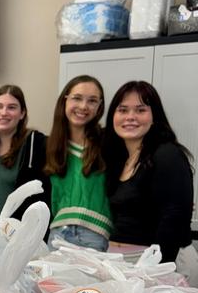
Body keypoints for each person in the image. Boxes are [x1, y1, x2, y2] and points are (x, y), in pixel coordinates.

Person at [104, 80, 194, 266]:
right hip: (126, 261)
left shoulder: (167, 154)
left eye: (140, 110)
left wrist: (154, 269)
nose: (130, 117)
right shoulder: (120, 159)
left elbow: (174, 218)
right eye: (122, 110)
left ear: (155, 117)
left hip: (160, 262)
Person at [44, 75, 111, 251]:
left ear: (99, 106)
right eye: (77, 98)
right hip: (57, 233)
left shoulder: (109, 142)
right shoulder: (51, 145)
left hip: (95, 234)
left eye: (92, 101)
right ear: (65, 100)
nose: (83, 106)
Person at [0, 84, 48, 223]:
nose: (4, 112)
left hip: (18, 235)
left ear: (22, 113)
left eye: (11, 107)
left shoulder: (36, 144)